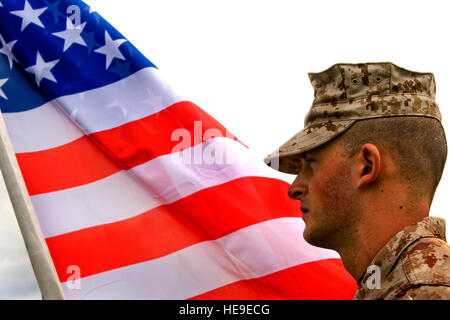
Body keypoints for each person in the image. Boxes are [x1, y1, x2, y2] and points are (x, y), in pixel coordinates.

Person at [264, 62, 450, 300]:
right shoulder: (398, 286)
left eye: (310, 163)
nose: (295, 189)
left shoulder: (422, 292)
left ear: (367, 166)